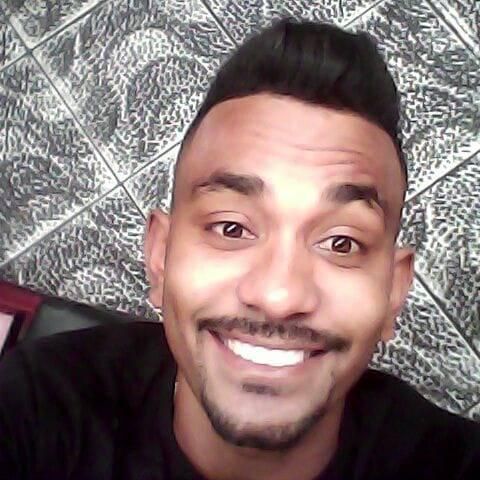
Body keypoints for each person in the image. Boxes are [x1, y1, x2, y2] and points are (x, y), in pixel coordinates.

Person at [0, 18, 478, 480]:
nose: (279, 297)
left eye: (342, 242)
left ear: (393, 292)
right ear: (160, 257)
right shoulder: (39, 406)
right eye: (231, 228)